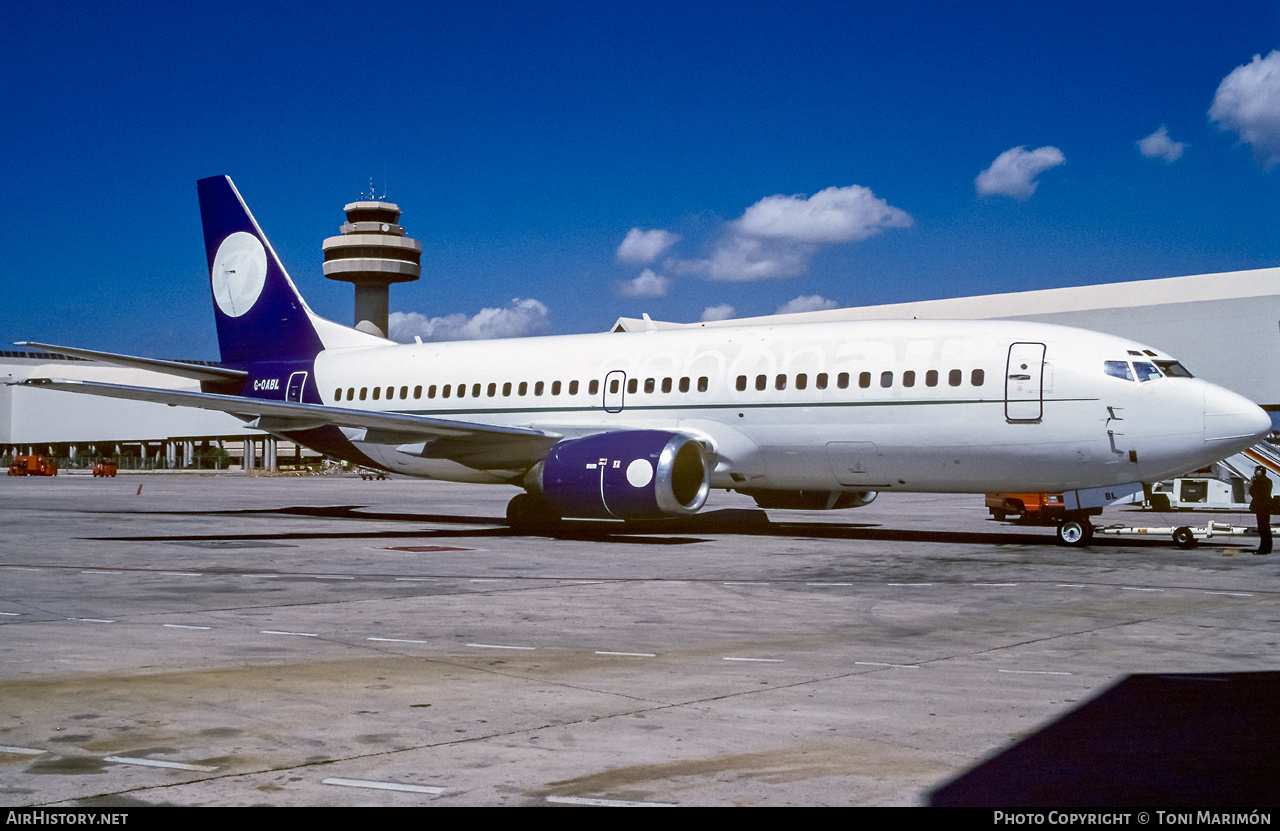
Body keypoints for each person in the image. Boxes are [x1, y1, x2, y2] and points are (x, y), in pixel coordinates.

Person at [1249, 466, 1272, 555]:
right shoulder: (1268, 481)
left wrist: (1251, 485)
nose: (1254, 473)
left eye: (1255, 471)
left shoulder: (1259, 482)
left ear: (1259, 472)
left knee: (1262, 528)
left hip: (1261, 507)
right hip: (1266, 506)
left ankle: (1263, 548)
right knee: (1266, 527)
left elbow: (1254, 494)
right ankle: (1268, 547)